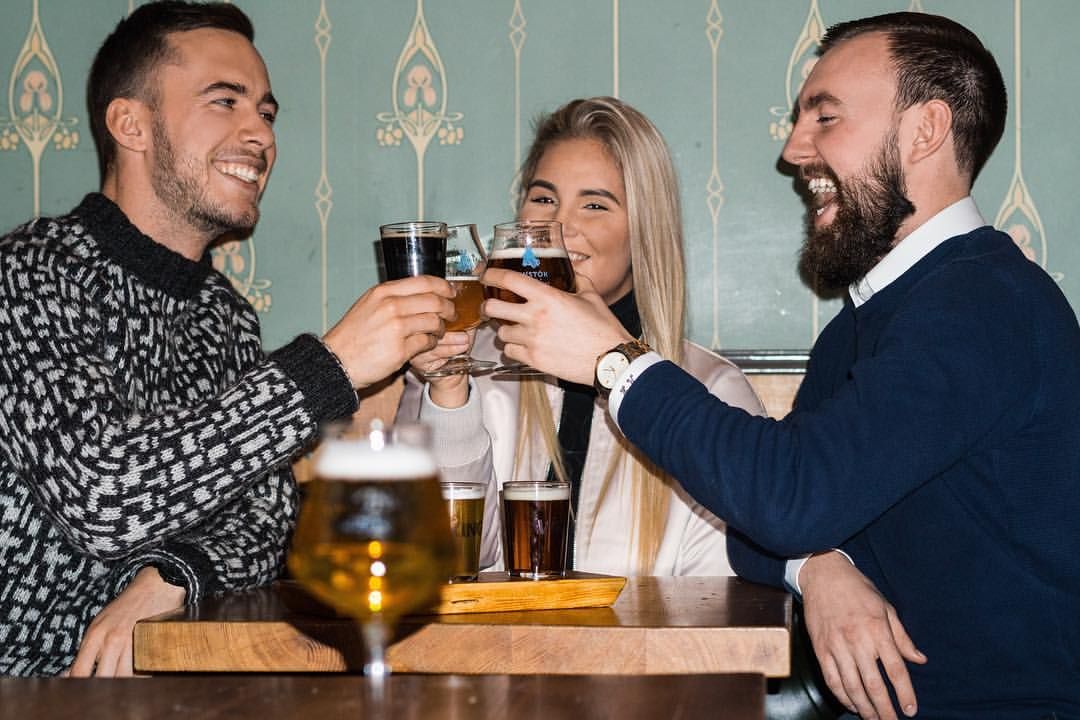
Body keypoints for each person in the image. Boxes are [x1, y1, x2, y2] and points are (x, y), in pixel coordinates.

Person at [481, 12, 1080, 720]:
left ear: (925, 130)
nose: (794, 150)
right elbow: (763, 515)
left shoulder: (983, 304)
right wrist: (817, 568)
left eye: (825, 118)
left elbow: (788, 496)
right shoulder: (863, 326)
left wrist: (616, 363)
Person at [0, 1, 453, 677]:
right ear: (130, 124)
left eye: (266, 113)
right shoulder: (27, 274)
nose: (260, 134)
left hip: (154, 689)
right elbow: (103, 495)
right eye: (225, 101)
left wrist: (174, 574)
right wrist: (328, 368)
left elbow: (267, 516)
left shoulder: (223, 313)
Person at [399, 97, 765, 576]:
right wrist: (449, 396)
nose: (560, 226)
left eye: (594, 204)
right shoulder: (461, 366)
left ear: (644, 230)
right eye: (543, 199)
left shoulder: (711, 391)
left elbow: (716, 601)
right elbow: (435, 559)